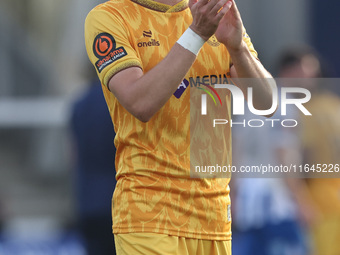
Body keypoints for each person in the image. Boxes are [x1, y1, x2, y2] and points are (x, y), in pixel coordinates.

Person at [84, 0, 274, 254]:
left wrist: (238, 48)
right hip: (149, 213)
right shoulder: (110, 16)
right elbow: (140, 102)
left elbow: (268, 104)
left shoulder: (210, 11)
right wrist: (196, 34)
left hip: (214, 217)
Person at [70, 77, 117, 255]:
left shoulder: (79, 104)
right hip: (122, 204)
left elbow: (72, 155)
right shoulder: (123, 103)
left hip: (87, 203)